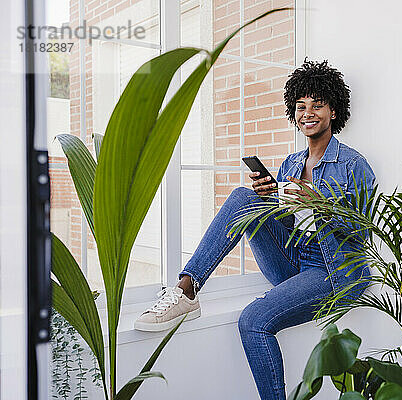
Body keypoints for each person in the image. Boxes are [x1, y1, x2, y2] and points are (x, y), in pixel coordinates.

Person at [134, 59, 376, 400]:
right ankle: (186, 289)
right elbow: (290, 222)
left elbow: (360, 232)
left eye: (317, 106)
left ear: (333, 111)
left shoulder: (353, 164)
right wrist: (270, 199)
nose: (308, 113)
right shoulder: (292, 162)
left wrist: (320, 204)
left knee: (253, 321)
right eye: (301, 106)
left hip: (334, 270)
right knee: (242, 198)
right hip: (296, 259)